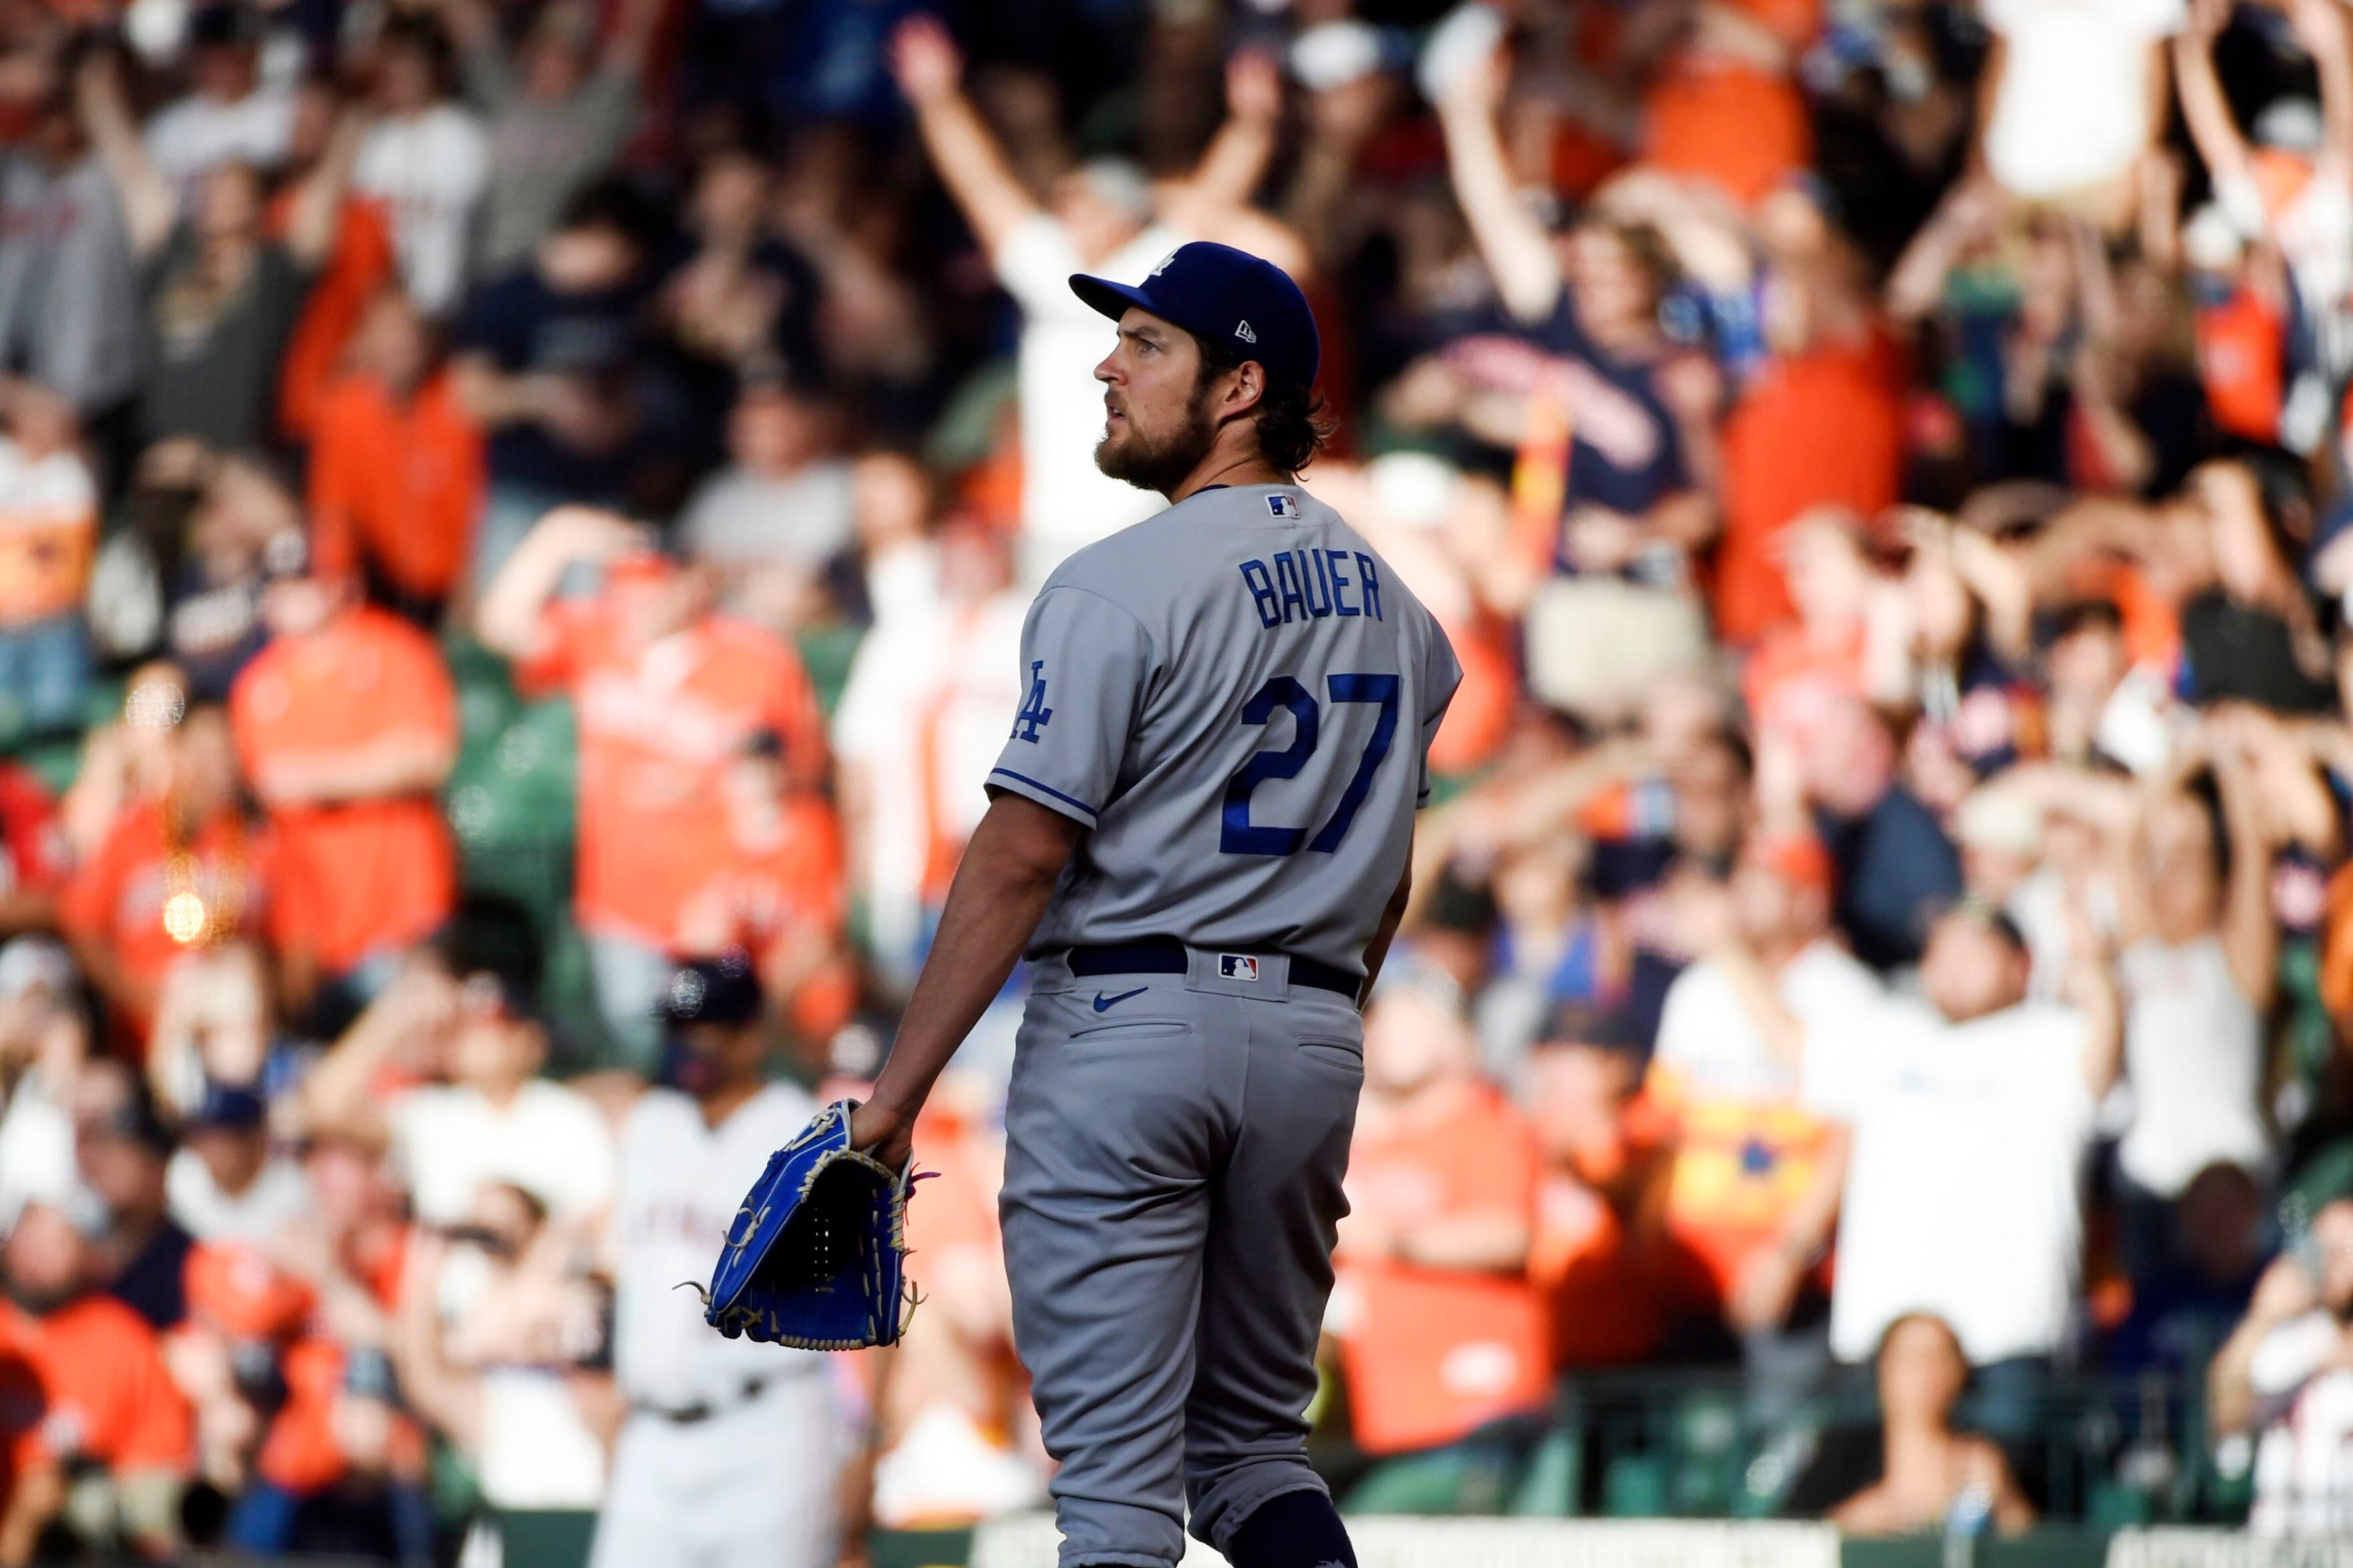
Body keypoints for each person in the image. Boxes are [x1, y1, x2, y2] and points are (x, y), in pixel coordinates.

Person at [844, 241, 1459, 1568]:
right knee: (1248, 1456)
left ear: (1242, 386)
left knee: (1118, 1507)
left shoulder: (1113, 583)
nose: (1105, 367)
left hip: (1129, 1023)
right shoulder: (1406, 615)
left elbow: (1018, 853)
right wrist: (1313, 1019)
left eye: (1147, 346)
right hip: (1309, 1033)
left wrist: (892, 1101)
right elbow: (1390, 870)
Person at [887, 17, 1288, 579]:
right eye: (1069, 203)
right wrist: (938, 99)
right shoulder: (1048, 263)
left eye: (1089, 203)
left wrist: (1252, 124)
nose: (1073, 213)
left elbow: (1214, 196)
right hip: (1051, 525)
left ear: (1125, 215)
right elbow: (980, 182)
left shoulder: (1154, 270)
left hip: (1141, 514)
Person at [474, 508, 827, 1068]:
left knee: (722, 1060)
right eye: (626, 585)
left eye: (652, 586)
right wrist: (558, 536)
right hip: (621, 901)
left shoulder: (758, 658)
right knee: (640, 1053)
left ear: (693, 582)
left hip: (717, 908)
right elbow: (497, 622)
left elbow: (800, 778)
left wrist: (707, 789)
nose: (634, 600)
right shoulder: (597, 637)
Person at [1814, 903, 2122, 1440]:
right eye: (1939, 950)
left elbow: (2099, 1064)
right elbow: (1797, 1051)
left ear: (2020, 964)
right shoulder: (1889, 1034)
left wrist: (2095, 971)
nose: (1951, 966)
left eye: (1971, 949)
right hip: (1883, 1337)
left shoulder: (2052, 1038)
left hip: (2005, 1337)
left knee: (2003, 1501)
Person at [590, 953, 838, 1568]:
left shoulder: (803, 1136)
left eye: (705, 1026)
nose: (687, 1043)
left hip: (765, 1431)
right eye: (677, 1026)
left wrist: (870, 1448)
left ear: (752, 1034)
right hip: (651, 1434)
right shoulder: (651, 1123)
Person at [228, 535, 459, 1014]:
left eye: (310, 582)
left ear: (341, 585)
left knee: (410, 1035)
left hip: (399, 890)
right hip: (311, 908)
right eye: (283, 585)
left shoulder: (393, 648)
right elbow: (265, 783)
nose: (297, 596)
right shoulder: (257, 684)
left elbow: (427, 755)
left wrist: (316, 779)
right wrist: (368, 767)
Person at [0, 1199, 193, 1559]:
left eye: (56, 1244)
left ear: (89, 1254)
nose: (36, 1257)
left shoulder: (120, 1339)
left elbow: (156, 1470)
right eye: (28, 1237)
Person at [2209, 1195, 2353, 1535]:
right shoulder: (2291, 1338)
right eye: (2323, 1248)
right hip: (2281, 1542)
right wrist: (2262, 1317)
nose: (2332, 1260)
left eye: (2347, 1247)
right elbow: (2226, 1416)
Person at [1822, 1314, 2037, 1536]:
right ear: (1882, 1370)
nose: (1926, 1372)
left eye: (1940, 1357)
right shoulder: (1842, 1457)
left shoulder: (1987, 1460)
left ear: (1961, 1372)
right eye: (1911, 1359)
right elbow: (1794, 1540)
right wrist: (1845, 1523)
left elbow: (2032, 1551)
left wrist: (2006, 1499)